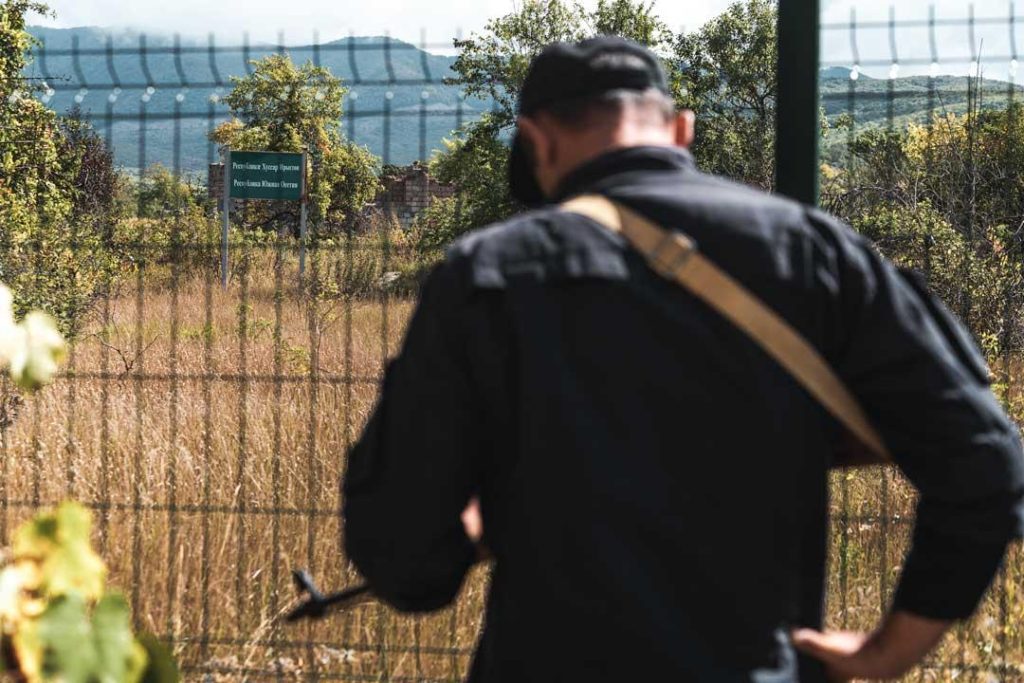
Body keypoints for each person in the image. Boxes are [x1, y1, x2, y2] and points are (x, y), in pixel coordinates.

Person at [342, 36, 1024, 682]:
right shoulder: (815, 253)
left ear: (536, 140)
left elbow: (402, 556)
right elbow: (986, 461)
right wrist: (890, 649)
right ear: (681, 131)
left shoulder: (487, 276)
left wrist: (471, 527)